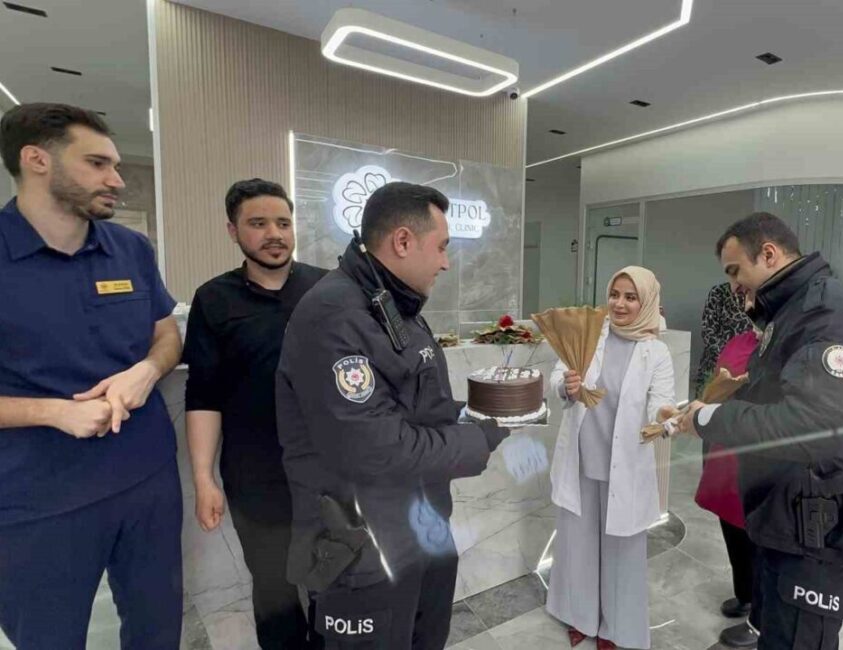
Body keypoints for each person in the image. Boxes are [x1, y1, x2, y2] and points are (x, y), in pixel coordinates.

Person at [275, 181, 509, 649]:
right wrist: (476, 442)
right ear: (403, 241)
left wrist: (491, 414)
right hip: (365, 547)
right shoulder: (334, 316)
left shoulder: (396, 306)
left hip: (421, 532)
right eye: (442, 248)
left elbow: (422, 410)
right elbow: (374, 447)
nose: (446, 262)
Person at [0, 103, 183, 648]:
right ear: (36, 160)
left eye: (117, 165)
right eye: (98, 164)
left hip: (146, 480)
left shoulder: (129, 248)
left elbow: (166, 334)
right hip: (38, 500)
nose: (117, 180)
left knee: (157, 631)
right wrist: (55, 412)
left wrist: (146, 372)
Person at [677, 212, 843, 650]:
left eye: (735, 271)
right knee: (776, 634)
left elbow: (813, 425)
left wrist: (709, 419)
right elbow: (775, 402)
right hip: (792, 518)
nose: (733, 286)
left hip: (819, 530)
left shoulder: (829, 315)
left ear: (770, 254)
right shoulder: (793, 314)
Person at [183, 178, 327, 648]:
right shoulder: (214, 299)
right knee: (273, 587)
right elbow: (204, 394)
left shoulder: (329, 288)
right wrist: (204, 479)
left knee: (337, 579)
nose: (274, 233)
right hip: (254, 473)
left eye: (283, 222)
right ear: (233, 230)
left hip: (329, 469)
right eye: (258, 223)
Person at [546, 266, 678, 650]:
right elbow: (559, 377)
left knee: (623, 551)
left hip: (625, 466)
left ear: (647, 301)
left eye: (631, 296)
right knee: (577, 544)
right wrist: (566, 385)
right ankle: (579, 616)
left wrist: (665, 419)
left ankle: (617, 628)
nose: (620, 304)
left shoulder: (656, 352)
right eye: (615, 294)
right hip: (582, 459)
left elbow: (661, 402)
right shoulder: (589, 336)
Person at [693, 286, 759, 648]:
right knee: (731, 519)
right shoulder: (740, 341)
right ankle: (745, 593)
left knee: (760, 530)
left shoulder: (787, 351)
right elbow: (714, 386)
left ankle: (761, 617)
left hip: (762, 451)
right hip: (725, 444)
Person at [695, 281, 754, 395]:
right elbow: (708, 330)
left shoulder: (756, 293)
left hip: (747, 367)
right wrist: (728, 357)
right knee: (706, 405)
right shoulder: (718, 292)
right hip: (716, 364)